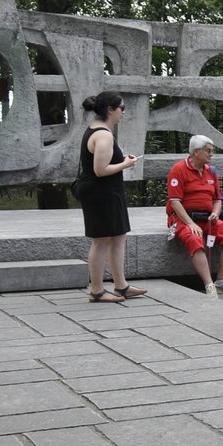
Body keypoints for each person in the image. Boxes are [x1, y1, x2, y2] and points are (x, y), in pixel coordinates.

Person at [74, 91, 143, 302]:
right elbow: (100, 170)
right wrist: (126, 163)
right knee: (101, 241)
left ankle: (121, 286)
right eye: (122, 108)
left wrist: (121, 158)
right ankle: (96, 290)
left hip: (108, 192)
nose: (123, 112)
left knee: (118, 237)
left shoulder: (99, 130)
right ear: (110, 110)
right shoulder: (103, 134)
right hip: (100, 193)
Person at [166, 135, 223, 296]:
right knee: (195, 239)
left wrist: (215, 213)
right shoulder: (178, 169)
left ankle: (221, 280)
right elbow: (175, 202)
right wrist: (190, 224)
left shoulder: (211, 171)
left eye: (212, 151)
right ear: (196, 151)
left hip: (208, 218)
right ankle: (208, 284)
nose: (211, 154)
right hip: (184, 218)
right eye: (208, 151)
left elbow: (218, 199)